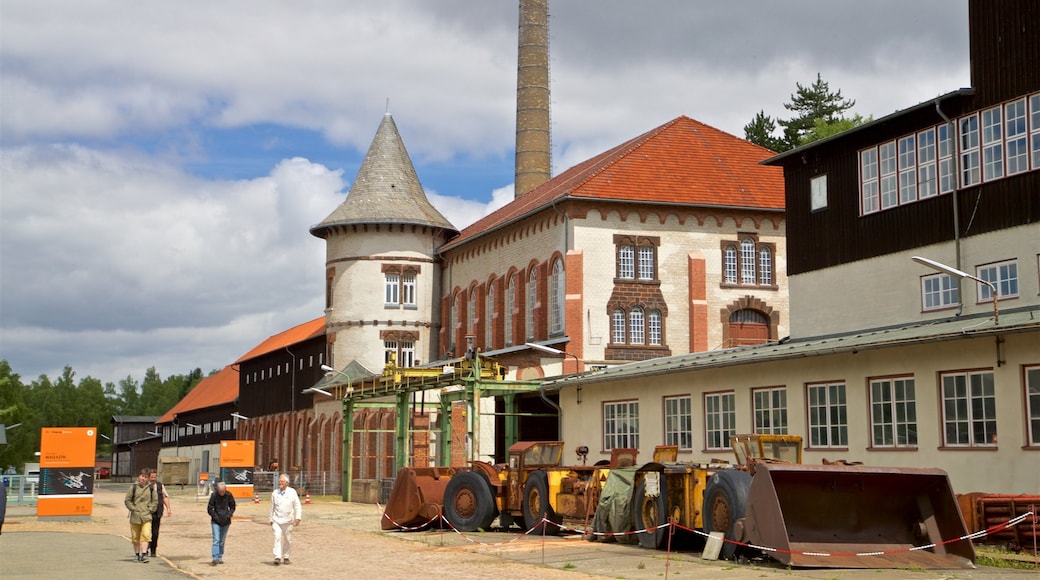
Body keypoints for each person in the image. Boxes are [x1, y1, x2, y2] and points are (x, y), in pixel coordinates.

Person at [124, 469, 157, 563]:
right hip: (135, 516)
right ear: (139, 476)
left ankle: (144, 554)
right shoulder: (133, 488)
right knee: (135, 537)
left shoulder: (151, 488)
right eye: (142, 476)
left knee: (146, 535)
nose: (143, 478)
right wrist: (133, 509)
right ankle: (137, 554)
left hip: (146, 516)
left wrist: (150, 509)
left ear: (148, 478)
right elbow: (127, 500)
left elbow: (155, 501)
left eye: (145, 477)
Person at [269, 474, 302, 565]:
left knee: (288, 539)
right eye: (279, 481)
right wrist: (271, 519)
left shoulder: (292, 492)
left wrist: (298, 517)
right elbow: (272, 507)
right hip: (276, 519)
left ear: (286, 483)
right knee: (277, 537)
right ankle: (277, 557)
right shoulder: (275, 493)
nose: (280, 483)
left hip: (288, 520)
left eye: (282, 481)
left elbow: (297, 505)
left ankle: (286, 556)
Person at [206, 481, 236, 566]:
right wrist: (215, 516)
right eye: (220, 492)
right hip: (215, 521)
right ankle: (215, 557)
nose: (222, 493)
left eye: (223, 491)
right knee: (216, 539)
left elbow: (233, 506)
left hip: (226, 521)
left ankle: (220, 556)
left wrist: (229, 515)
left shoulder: (229, 495)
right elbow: (209, 508)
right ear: (218, 490)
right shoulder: (214, 496)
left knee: (222, 540)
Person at [147, 469, 172, 557]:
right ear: (148, 477)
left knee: (155, 532)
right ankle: (145, 548)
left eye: (155, 477)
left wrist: (168, 508)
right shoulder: (145, 486)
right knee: (146, 531)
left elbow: (165, 497)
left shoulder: (160, 486)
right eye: (151, 477)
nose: (153, 479)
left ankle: (153, 549)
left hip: (158, 512)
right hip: (147, 512)